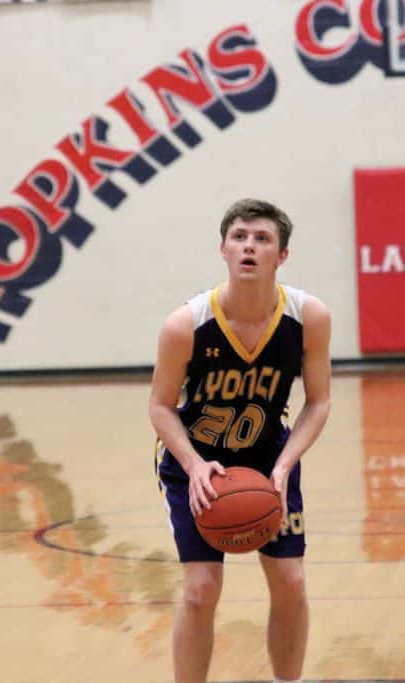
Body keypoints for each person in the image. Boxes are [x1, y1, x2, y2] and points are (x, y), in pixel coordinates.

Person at [149, 198, 332, 683]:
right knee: (201, 589)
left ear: (282, 255)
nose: (249, 246)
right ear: (223, 249)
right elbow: (160, 407)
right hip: (195, 461)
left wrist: (285, 465)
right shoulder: (185, 325)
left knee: (291, 581)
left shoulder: (309, 317)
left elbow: (318, 403)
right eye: (240, 237)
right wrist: (194, 466)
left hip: (269, 457)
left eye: (262, 239)